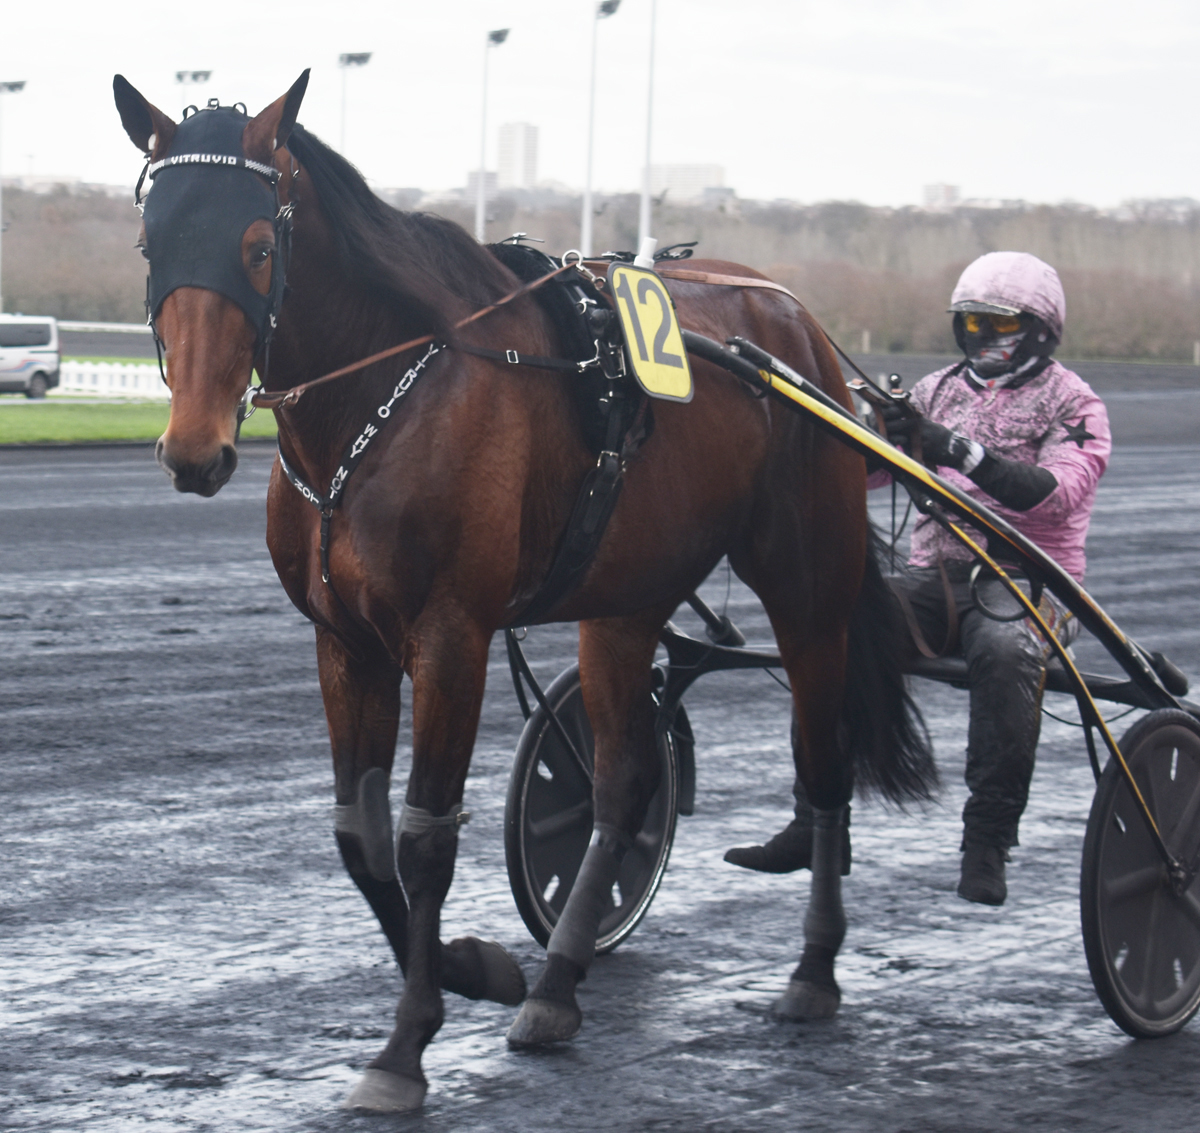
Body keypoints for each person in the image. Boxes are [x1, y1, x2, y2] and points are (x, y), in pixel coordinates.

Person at [725, 251, 1112, 905]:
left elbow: (1052, 495)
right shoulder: (935, 391)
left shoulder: (1074, 403)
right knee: (834, 629)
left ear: (1041, 331)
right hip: (935, 580)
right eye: (972, 326)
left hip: (1034, 584)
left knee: (1005, 651)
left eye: (999, 327)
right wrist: (844, 424)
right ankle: (818, 820)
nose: (982, 339)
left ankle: (987, 839)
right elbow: (866, 472)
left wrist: (950, 447)